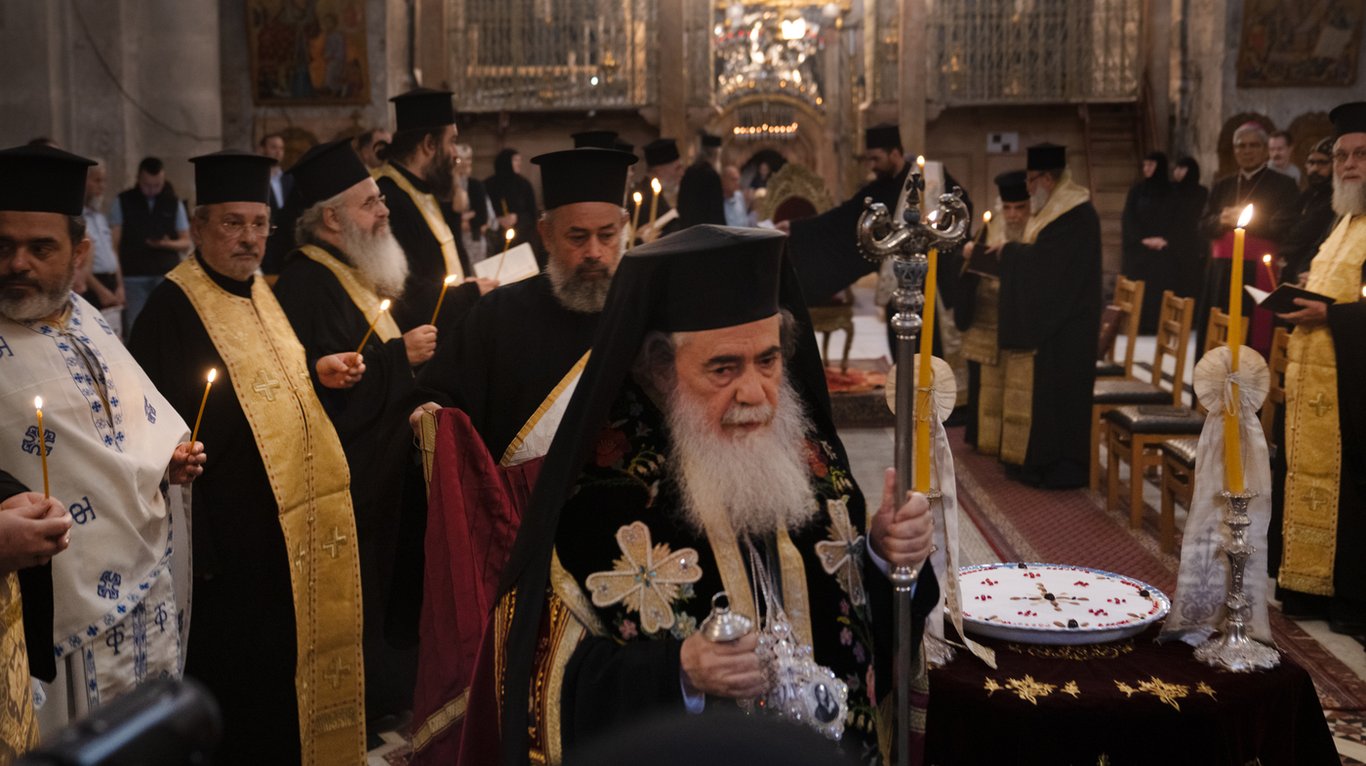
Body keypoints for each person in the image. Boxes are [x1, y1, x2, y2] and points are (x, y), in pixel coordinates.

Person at [467, 225, 937, 766]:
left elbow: (867, 634)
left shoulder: (814, 465)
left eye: (768, 360)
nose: (755, 392)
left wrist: (885, 556)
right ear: (662, 368)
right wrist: (679, 672)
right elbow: (539, 682)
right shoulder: (600, 495)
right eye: (723, 368)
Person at [128, 150, 367, 764]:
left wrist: (314, 373)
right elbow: (150, 437)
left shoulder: (263, 289)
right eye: (233, 223)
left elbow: (268, 388)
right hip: (227, 553)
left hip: (286, 542)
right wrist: (202, 554)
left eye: (260, 223)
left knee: (285, 689)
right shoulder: (170, 309)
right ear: (200, 224)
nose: (250, 239)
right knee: (244, 697)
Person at [405, 146, 637, 764]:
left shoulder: (648, 314)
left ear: (626, 229)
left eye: (607, 236)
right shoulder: (498, 316)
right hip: (530, 554)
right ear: (544, 235)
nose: (593, 253)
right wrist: (431, 418)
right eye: (577, 237)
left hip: (635, 548)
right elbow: (442, 399)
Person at [0, 144, 201, 738]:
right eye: (3, 245)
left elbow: (131, 418)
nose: (18, 264)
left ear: (80, 252)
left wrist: (168, 458)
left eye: (40, 248)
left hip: (144, 594)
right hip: (56, 609)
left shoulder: (85, 316)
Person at [273, 138, 435, 731]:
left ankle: (394, 695)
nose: (384, 211)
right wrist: (400, 359)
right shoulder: (306, 285)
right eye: (371, 202)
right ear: (333, 219)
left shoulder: (347, 270)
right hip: (351, 482)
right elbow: (322, 390)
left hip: (386, 468)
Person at [1274, 101, 1366, 636]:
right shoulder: (1343, 220)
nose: (1348, 164)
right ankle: (1309, 586)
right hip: (1319, 381)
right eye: (1342, 155)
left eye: (1360, 155)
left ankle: (1348, 595)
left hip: (1353, 396)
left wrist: (1329, 312)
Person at [778, 124, 971, 358]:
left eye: (876, 158)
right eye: (869, 159)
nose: (872, 165)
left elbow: (963, 208)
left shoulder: (932, 177)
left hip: (933, 281)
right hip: (898, 282)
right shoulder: (880, 187)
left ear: (895, 154)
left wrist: (936, 226)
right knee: (900, 349)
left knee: (932, 348)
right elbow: (843, 217)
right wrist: (797, 228)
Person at [990, 143, 1101, 489]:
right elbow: (1043, 261)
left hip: (1070, 327)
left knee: (1062, 398)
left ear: (1048, 179)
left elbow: (1047, 269)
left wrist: (1009, 253)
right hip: (1059, 324)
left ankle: (1062, 467)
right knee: (1049, 397)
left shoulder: (1074, 214)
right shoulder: (1056, 212)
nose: (1027, 187)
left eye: (1030, 180)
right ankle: (1040, 461)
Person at [376, 87, 490, 332]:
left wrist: (467, 284)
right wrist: (470, 293)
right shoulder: (386, 199)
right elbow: (404, 291)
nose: (455, 154)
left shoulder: (423, 190)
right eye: (452, 141)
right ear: (429, 144)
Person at [1195, 122, 1299, 353]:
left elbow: (1287, 225)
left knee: (1255, 337)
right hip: (1221, 274)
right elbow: (1203, 224)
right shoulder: (1222, 186)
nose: (1247, 151)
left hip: (1259, 272)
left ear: (1264, 150)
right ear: (1234, 150)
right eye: (1241, 146)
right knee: (1217, 334)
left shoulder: (1284, 184)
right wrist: (1220, 220)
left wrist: (1248, 221)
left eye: (1254, 145)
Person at [955, 170, 1030, 454]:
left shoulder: (1036, 230)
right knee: (982, 385)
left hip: (1013, 320)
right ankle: (981, 439)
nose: (1013, 215)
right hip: (983, 318)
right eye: (1008, 208)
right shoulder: (991, 225)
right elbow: (968, 270)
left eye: (1019, 208)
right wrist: (969, 254)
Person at [110, 157, 191, 333]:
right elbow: (114, 244)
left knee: (167, 325)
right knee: (136, 326)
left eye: (157, 185)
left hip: (166, 273)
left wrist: (165, 243)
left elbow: (186, 242)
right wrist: (119, 283)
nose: (152, 190)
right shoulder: (123, 200)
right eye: (147, 185)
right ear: (138, 179)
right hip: (133, 275)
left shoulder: (173, 202)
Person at [1121, 151, 1176, 332]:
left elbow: (1178, 219)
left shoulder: (1171, 191)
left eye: (1150, 165)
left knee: (1159, 291)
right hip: (1140, 250)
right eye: (1144, 165)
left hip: (1162, 250)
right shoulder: (1137, 190)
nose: (1146, 169)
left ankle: (1158, 326)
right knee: (1139, 290)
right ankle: (1137, 325)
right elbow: (1129, 218)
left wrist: (1164, 240)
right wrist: (1143, 240)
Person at [1279, 137, 1338, 286]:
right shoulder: (1308, 193)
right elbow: (1276, 222)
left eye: (1322, 163)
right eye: (1311, 162)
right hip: (1292, 268)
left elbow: (1306, 231)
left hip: (1312, 271)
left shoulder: (1337, 198)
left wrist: (1296, 225)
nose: (1315, 168)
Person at [79, 161, 126, 334]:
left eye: (104, 181)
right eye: (97, 180)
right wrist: (100, 290)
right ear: (84, 181)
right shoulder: (78, 217)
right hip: (92, 284)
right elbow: (80, 258)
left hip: (110, 280)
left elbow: (112, 251)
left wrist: (120, 286)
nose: (102, 186)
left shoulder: (99, 216)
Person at [484, 147, 545, 260]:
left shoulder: (524, 184)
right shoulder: (489, 184)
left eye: (520, 160)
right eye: (515, 160)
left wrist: (517, 217)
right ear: (506, 162)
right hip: (496, 239)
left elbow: (532, 212)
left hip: (521, 238)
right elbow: (483, 210)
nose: (519, 164)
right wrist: (498, 220)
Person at [629, 138, 685, 243]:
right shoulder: (643, 198)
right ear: (659, 170)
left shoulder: (657, 192)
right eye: (677, 168)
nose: (682, 173)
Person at [1170, 156, 1210, 299]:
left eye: (1182, 168)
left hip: (1192, 244)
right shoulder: (1170, 189)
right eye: (1176, 168)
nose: (1178, 172)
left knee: (1190, 285)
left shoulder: (1201, 192)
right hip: (1172, 244)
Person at [259, 132, 296, 275]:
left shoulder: (290, 179)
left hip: (286, 242)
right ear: (263, 149)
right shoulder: (258, 179)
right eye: (273, 147)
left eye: (281, 148)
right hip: (267, 240)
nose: (278, 151)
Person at [676, 132, 726, 229]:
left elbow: (681, 205)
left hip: (687, 229)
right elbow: (716, 211)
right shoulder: (712, 175)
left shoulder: (688, 172)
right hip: (707, 232)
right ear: (716, 154)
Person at [454, 143, 492, 264]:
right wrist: (462, 218)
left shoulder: (475, 185)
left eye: (468, 159)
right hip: (455, 238)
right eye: (461, 159)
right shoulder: (445, 186)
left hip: (474, 239)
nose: (465, 163)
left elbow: (482, 216)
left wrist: (466, 220)